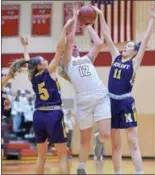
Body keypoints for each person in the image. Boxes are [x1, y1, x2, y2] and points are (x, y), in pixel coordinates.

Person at [93, 5, 155, 174]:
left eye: (129, 46)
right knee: (115, 144)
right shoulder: (115, 56)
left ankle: (139, 172)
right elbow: (106, 35)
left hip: (126, 102)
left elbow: (144, 43)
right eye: (126, 45)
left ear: (134, 52)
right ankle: (117, 172)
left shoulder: (134, 63)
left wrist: (152, 20)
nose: (125, 47)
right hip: (111, 102)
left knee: (133, 142)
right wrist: (100, 15)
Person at [19, 16, 77, 174]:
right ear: (40, 66)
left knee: (41, 157)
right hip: (53, 114)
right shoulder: (49, 70)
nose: (46, 60)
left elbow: (28, 62)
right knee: (63, 155)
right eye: (43, 60)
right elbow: (60, 48)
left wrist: (25, 48)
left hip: (38, 116)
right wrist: (64, 28)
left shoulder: (32, 76)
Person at [61, 6, 111, 174]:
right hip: (83, 102)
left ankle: (100, 139)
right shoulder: (67, 65)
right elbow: (69, 41)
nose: (74, 46)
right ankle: (81, 168)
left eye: (75, 46)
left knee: (105, 135)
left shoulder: (87, 58)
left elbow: (98, 43)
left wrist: (87, 24)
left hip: (100, 96)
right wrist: (76, 19)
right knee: (84, 139)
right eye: (71, 46)